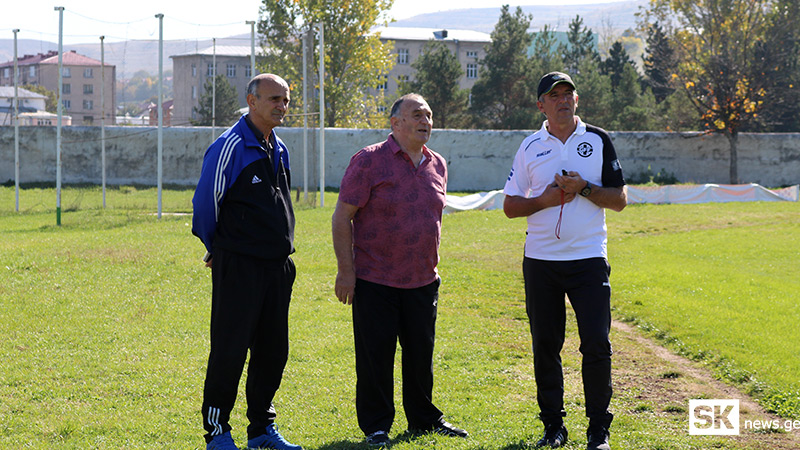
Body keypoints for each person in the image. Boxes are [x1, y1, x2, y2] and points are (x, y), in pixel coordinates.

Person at [331, 93, 468, 447]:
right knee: (376, 357)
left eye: (429, 114)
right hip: (375, 278)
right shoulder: (369, 161)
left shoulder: (437, 164)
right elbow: (342, 217)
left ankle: (424, 418)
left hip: (423, 279)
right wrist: (346, 272)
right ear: (395, 123)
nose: (426, 120)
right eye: (417, 114)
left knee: (421, 355)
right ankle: (377, 426)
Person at [503, 72, 627, 450]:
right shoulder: (529, 146)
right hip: (540, 262)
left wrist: (583, 189)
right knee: (545, 344)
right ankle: (553, 427)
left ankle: (597, 430)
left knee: (596, 343)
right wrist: (544, 199)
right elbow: (510, 206)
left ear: (577, 99)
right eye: (553, 95)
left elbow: (620, 200)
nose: (562, 100)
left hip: (589, 259)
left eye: (568, 94)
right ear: (541, 105)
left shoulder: (598, 139)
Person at [192, 73, 302, 450]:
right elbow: (205, 206)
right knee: (230, 348)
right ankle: (218, 432)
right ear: (252, 101)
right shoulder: (230, 146)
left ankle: (261, 431)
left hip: (278, 267)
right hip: (239, 266)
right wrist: (219, 247)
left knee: (273, 350)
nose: (281, 106)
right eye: (274, 99)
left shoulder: (280, 148)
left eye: (285, 100)